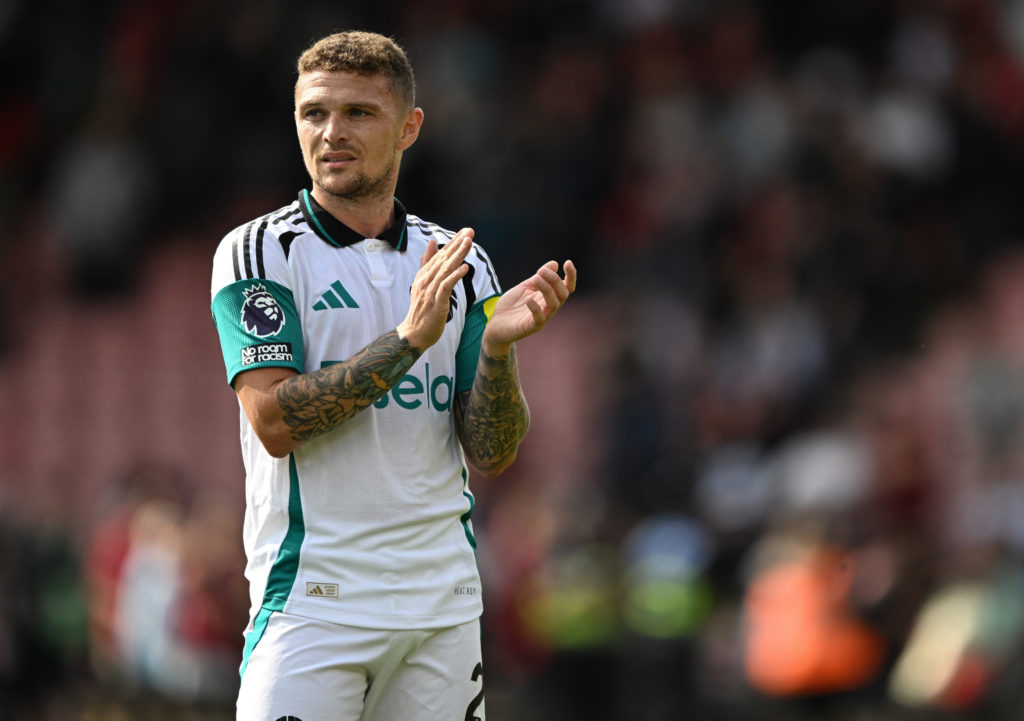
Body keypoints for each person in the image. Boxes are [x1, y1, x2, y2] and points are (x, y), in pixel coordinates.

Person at [209, 30, 576, 721]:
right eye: (313, 113)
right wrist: (409, 341)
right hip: (315, 607)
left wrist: (496, 353)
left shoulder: (464, 263)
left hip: (441, 610)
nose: (331, 132)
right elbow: (276, 421)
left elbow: (492, 451)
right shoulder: (259, 251)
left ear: (409, 128)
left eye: (359, 113)